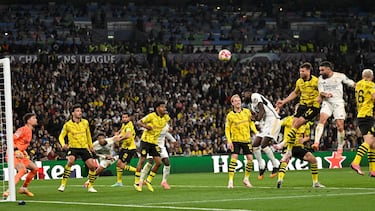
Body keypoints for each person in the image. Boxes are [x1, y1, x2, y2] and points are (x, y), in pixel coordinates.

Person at [276, 104, 325, 188]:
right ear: (295, 110)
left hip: (298, 147)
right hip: (288, 145)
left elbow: (307, 136)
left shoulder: (306, 123)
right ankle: (280, 180)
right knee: (285, 162)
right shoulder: (288, 119)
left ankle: (315, 183)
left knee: (313, 160)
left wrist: (303, 140)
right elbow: (278, 124)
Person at [312, 61, 355, 157]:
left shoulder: (340, 76)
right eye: (320, 70)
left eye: (322, 70)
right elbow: (321, 92)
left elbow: (352, 84)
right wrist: (325, 94)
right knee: (322, 120)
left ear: (328, 69)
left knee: (340, 126)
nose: (320, 72)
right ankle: (316, 143)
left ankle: (340, 148)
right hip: (327, 102)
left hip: (338, 103)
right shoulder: (320, 79)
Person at [276, 62, 320, 151]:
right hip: (302, 105)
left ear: (308, 71)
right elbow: (295, 93)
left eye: (303, 71)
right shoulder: (299, 81)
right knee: (293, 125)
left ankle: (283, 143)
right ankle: (288, 149)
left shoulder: (316, 81)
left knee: (297, 123)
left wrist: (321, 98)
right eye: (300, 71)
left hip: (312, 107)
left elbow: (322, 92)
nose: (301, 73)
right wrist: (284, 101)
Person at [57, 104, 98, 193]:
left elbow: (88, 135)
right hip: (73, 147)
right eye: (77, 111)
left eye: (80, 111)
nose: (80, 113)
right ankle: (63, 184)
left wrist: (91, 147)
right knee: (71, 161)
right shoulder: (68, 125)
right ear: (72, 113)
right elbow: (61, 136)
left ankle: (90, 186)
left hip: (84, 147)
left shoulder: (85, 122)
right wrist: (63, 144)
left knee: (92, 167)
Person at [242, 90, 280, 180]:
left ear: (249, 93)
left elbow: (262, 111)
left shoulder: (255, 96)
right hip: (265, 124)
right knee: (255, 145)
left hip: (273, 120)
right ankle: (262, 165)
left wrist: (256, 120)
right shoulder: (251, 105)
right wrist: (253, 118)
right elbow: (257, 116)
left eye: (245, 95)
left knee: (264, 144)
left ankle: (275, 164)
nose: (244, 97)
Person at [134, 101, 171, 192]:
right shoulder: (151, 116)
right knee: (142, 160)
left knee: (158, 162)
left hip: (155, 142)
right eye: (162, 107)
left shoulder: (166, 117)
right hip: (146, 141)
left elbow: (167, 123)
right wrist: (146, 126)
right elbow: (139, 122)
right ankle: (137, 182)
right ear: (157, 108)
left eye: (164, 107)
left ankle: (148, 180)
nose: (164, 109)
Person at [3, 113, 39, 198]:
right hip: (12, 154)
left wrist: (23, 151)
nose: (36, 120)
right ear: (28, 121)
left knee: (35, 169)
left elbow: (21, 143)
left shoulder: (30, 131)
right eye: (34, 118)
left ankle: (24, 188)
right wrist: (16, 150)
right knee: (22, 170)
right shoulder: (22, 129)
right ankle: (9, 190)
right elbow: (11, 139)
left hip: (21, 155)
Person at [225, 94, 257, 189]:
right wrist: (229, 141)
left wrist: (256, 132)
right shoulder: (230, 115)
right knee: (234, 158)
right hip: (235, 140)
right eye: (236, 101)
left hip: (246, 139)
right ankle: (230, 181)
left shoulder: (247, 112)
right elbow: (227, 129)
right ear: (232, 103)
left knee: (250, 159)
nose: (238, 102)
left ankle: (246, 179)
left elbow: (251, 124)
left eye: (239, 100)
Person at [351, 69, 375, 177]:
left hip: (361, 115)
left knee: (373, 144)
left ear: (362, 76)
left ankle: (373, 170)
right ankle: (356, 162)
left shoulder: (358, 84)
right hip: (367, 115)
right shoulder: (371, 84)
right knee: (369, 141)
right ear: (372, 77)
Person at [140, 123, 176, 190]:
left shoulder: (166, 124)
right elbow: (144, 129)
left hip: (161, 147)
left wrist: (173, 140)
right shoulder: (153, 121)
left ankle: (164, 181)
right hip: (151, 144)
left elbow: (166, 133)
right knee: (150, 161)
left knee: (166, 162)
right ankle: (141, 180)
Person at [111, 112, 137, 187]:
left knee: (121, 165)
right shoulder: (124, 124)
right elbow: (122, 129)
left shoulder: (129, 125)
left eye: (126, 117)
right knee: (118, 164)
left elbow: (128, 135)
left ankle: (139, 171)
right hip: (124, 147)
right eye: (123, 117)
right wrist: (118, 133)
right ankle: (119, 182)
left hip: (129, 149)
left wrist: (119, 139)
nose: (124, 119)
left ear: (129, 118)